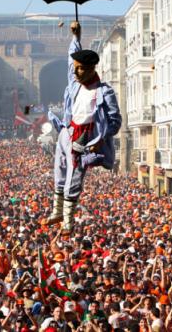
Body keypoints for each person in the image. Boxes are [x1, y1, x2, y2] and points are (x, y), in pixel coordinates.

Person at [43, 21, 122, 236]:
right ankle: (57, 210)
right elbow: (71, 60)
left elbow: (115, 120)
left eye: (81, 69)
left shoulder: (104, 92)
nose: (76, 72)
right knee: (59, 169)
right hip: (67, 131)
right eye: (76, 68)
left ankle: (68, 219)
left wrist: (100, 140)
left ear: (91, 69)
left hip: (85, 136)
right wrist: (76, 38)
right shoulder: (75, 84)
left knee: (74, 176)